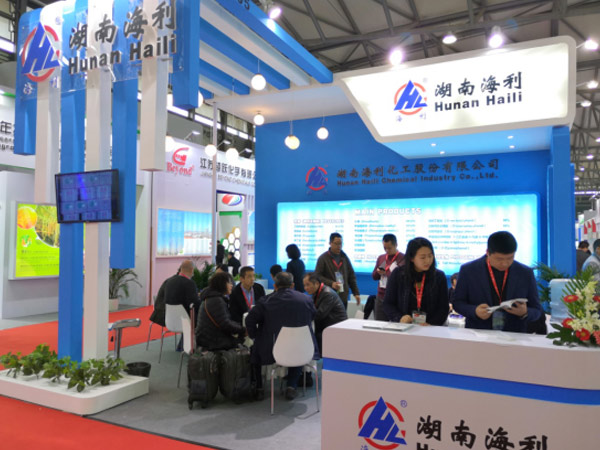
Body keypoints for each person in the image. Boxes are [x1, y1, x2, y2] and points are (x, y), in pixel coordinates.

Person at [245, 272, 317, 401]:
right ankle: (291, 386)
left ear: (275, 286)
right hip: (302, 349)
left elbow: (249, 320)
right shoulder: (306, 300)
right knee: (296, 347)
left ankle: (259, 388)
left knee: (255, 349)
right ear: (292, 285)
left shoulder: (265, 301)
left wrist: (255, 336)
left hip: (271, 348)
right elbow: (312, 317)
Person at [453, 231, 543, 332]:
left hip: (514, 334)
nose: (504, 263)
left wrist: (525, 312)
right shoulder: (469, 270)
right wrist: (475, 311)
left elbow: (537, 310)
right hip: (478, 333)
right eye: (499, 259)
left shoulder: (525, 273)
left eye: (510, 258)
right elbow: (458, 303)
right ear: (488, 252)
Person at [383, 238, 449, 326]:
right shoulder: (398, 274)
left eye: (430, 256)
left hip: (430, 328)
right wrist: (399, 318)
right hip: (404, 327)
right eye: (423, 257)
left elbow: (443, 308)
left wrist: (431, 324)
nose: (428, 260)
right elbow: (388, 304)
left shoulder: (439, 276)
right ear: (411, 258)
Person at [196, 272, 245, 350]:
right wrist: (242, 329)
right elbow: (225, 324)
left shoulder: (212, 297)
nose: (232, 285)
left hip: (208, 336)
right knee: (245, 342)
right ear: (222, 284)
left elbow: (225, 321)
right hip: (212, 340)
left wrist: (239, 327)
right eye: (229, 283)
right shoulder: (216, 300)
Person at [303, 273, 347, 353]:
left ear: (316, 283)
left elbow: (319, 315)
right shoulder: (317, 292)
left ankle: (317, 356)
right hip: (327, 325)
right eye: (304, 285)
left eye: (308, 285)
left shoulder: (327, 293)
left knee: (310, 335)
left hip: (335, 328)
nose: (305, 288)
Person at [314, 232, 360, 309]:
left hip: (343, 297)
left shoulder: (344, 257)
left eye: (341, 244)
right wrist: (331, 283)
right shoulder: (323, 258)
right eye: (336, 244)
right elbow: (317, 276)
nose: (339, 246)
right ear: (330, 243)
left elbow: (351, 276)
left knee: (342, 316)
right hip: (328, 297)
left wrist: (356, 293)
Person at [372, 233, 404, 321]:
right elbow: (374, 276)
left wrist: (387, 273)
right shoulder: (381, 258)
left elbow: (403, 279)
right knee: (379, 323)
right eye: (384, 248)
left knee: (397, 324)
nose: (387, 250)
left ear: (396, 245)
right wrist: (378, 272)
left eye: (389, 248)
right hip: (381, 296)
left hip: (396, 298)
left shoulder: (403, 258)